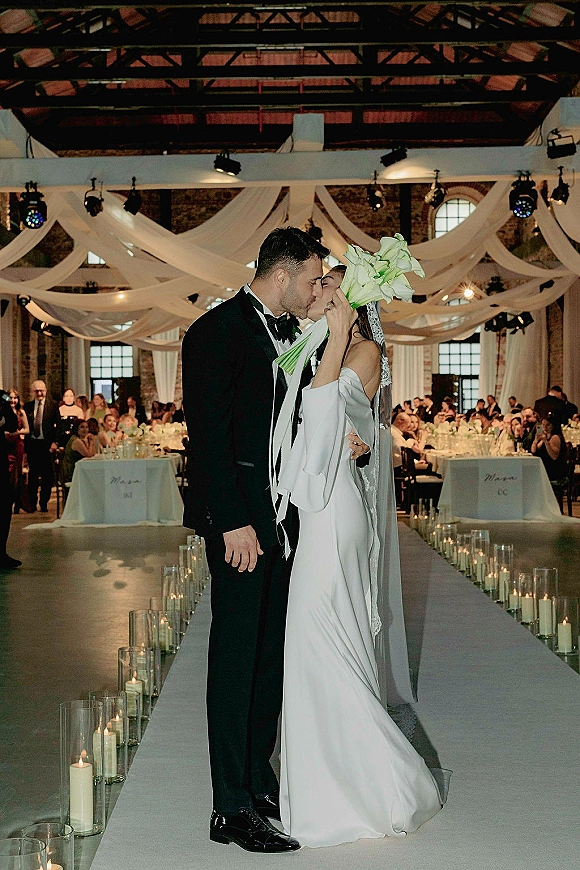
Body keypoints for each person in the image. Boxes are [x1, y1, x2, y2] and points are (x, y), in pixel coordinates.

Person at [182, 227, 365, 853]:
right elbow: (207, 439)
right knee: (234, 660)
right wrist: (231, 521)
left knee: (268, 661)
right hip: (240, 525)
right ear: (281, 272)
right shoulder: (216, 330)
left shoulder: (290, 334)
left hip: (286, 522)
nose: (317, 287)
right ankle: (228, 805)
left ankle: (259, 784)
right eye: (312, 277)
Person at [277, 280, 444, 847]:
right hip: (321, 506)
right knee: (315, 636)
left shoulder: (361, 349)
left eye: (326, 286)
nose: (316, 292)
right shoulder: (327, 342)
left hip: (335, 510)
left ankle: (373, 784)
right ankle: (326, 782)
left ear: (350, 300)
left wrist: (338, 331)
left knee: (316, 633)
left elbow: (325, 404)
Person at [23, 380, 60, 512]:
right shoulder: (27, 407)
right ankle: (32, 503)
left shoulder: (53, 405)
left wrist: (55, 442)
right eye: (36, 391)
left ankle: (44, 502)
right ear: (33, 391)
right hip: (33, 444)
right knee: (32, 476)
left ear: (46, 390)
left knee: (47, 476)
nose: (39, 393)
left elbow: (59, 426)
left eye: (41, 390)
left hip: (47, 444)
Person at [0, 389, 21, 569]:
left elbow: (13, 424)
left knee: (4, 506)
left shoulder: (2, 397)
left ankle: (2, 552)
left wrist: (6, 407)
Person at [5, 389, 31, 513]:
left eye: (15, 398)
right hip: (5, 445)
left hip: (17, 445)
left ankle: (18, 502)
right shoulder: (3, 412)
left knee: (17, 475)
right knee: (7, 474)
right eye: (10, 397)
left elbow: (27, 429)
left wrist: (17, 432)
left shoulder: (21, 412)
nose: (13, 400)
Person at [530, 413, 567, 485]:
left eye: (548, 425)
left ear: (553, 425)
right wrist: (535, 440)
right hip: (543, 469)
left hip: (553, 472)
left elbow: (554, 456)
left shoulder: (555, 437)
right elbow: (533, 451)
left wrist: (546, 442)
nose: (545, 428)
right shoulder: (545, 437)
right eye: (543, 425)